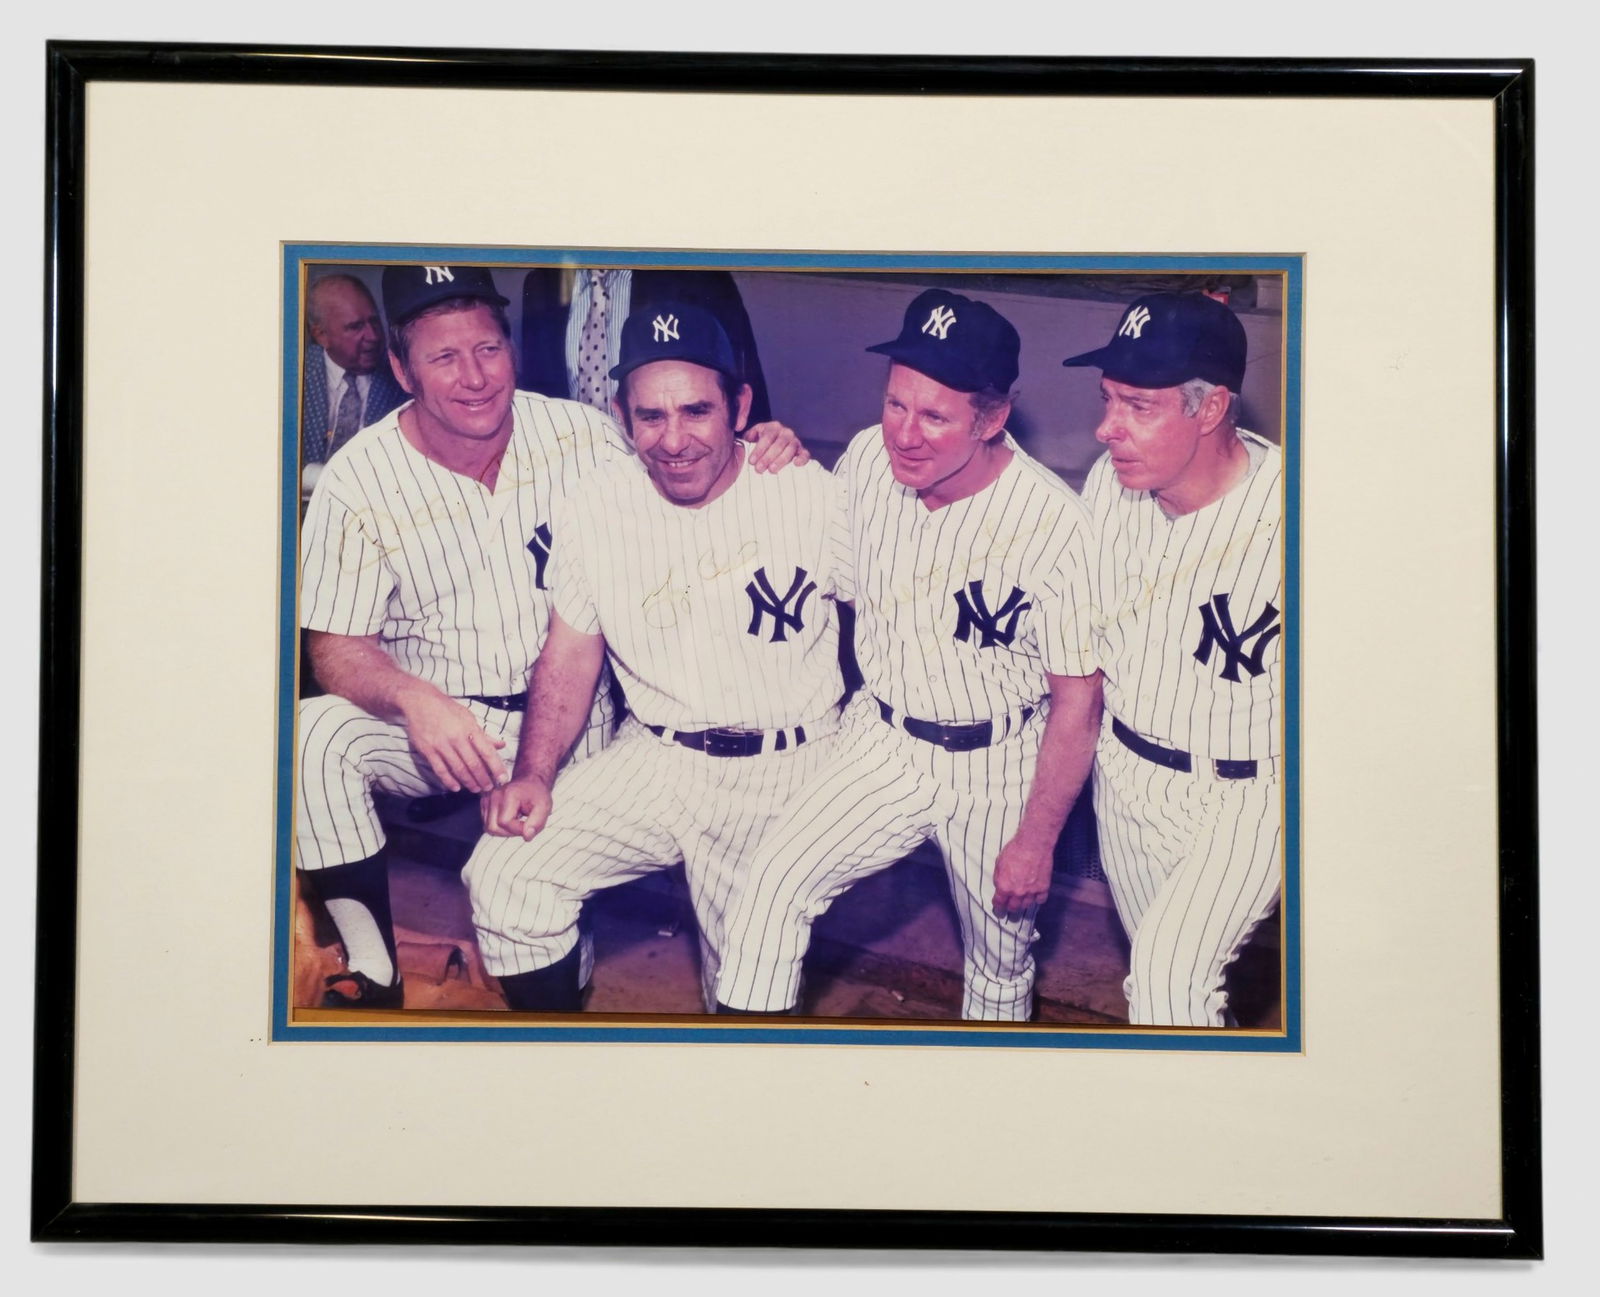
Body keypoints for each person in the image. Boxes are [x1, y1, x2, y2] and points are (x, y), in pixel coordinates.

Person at [294, 265, 808, 1009]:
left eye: (488, 349)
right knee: (312, 735)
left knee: (541, 918)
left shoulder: (584, 435)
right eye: (444, 357)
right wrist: (411, 699)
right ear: (402, 368)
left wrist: (765, 445)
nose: (474, 377)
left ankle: (560, 1023)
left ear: (512, 347)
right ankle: (370, 969)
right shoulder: (358, 478)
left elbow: (690, 460)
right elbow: (333, 646)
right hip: (440, 726)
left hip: (573, 724)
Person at [714, 289, 1104, 1022]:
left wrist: (1036, 840)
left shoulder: (1056, 526)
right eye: (896, 403)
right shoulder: (865, 458)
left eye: (935, 415)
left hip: (999, 763)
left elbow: (1078, 700)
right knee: (769, 889)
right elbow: (838, 581)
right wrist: (780, 453)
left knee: (998, 964)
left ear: (992, 418)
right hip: (883, 740)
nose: (905, 433)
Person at [463, 302, 846, 1012]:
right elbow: (570, 654)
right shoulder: (594, 504)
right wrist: (534, 774)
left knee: (746, 1001)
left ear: (741, 406)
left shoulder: (811, 497)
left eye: (697, 411)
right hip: (658, 758)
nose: (674, 439)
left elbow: (896, 615)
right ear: (620, 414)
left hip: (785, 770)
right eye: (650, 416)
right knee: (508, 872)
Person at [1062, 291, 1283, 1028]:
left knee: (1167, 980)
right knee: (1170, 998)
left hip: (1247, 797)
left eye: (1138, 405)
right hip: (1125, 785)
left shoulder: (1297, 512)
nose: (1106, 428)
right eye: (1107, 399)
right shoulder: (1109, 484)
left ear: (1211, 407)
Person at [517, 267, 772, 423]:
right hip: (575, 482)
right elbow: (537, 401)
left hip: (664, 479)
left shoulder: (697, 277)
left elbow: (743, 390)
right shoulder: (542, 284)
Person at [300, 274, 408, 478]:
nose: (374, 336)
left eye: (374, 322)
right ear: (321, 335)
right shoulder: (295, 374)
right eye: (355, 327)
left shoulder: (400, 375)